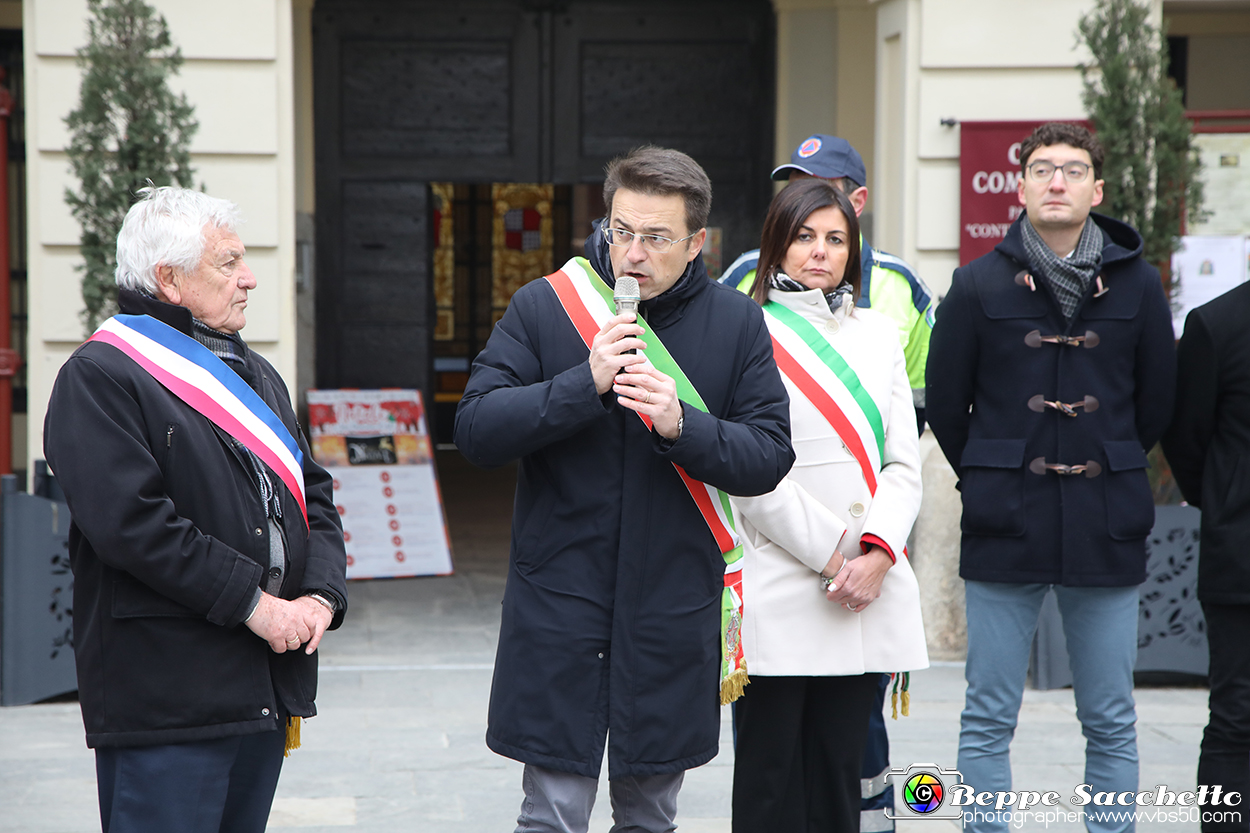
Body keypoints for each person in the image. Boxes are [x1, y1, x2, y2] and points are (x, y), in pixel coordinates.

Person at [455, 146, 794, 833]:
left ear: (698, 242)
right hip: (560, 605)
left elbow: (768, 455)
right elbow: (476, 429)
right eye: (622, 231)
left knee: (648, 816)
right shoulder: (548, 306)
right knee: (550, 814)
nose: (632, 254)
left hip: (669, 609)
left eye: (657, 238)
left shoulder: (735, 322)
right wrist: (582, 385)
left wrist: (681, 424)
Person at [44, 186, 349, 833]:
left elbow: (312, 494)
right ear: (169, 279)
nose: (250, 278)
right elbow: (136, 527)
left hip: (261, 690)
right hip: (167, 701)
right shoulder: (100, 377)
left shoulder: (256, 372)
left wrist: (320, 594)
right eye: (229, 262)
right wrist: (259, 606)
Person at [926, 122, 1176, 833]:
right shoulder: (976, 283)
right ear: (1021, 185)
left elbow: (1157, 399)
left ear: (1096, 189)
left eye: (1071, 170)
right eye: (1042, 169)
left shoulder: (1140, 283)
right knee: (987, 712)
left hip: (1106, 516)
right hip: (1006, 514)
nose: (1056, 181)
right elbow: (947, 401)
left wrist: (1111, 460)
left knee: (1110, 714)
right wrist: (989, 468)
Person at [722, 132, 929, 830]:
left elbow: (905, 460)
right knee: (769, 781)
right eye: (805, 236)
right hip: (786, 581)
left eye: (836, 239)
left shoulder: (877, 332)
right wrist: (837, 556)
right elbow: (746, 471)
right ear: (777, 242)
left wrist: (876, 554)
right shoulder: (744, 328)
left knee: (843, 777)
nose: (820, 252)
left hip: (864, 587)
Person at [721, 134, 933, 431]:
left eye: (821, 189)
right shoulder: (745, 275)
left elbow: (917, 403)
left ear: (857, 202)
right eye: (797, 190)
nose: (809, 202)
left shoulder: (902, 285)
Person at [1162, 285, 1250, 832]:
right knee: (1237, 719)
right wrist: (1223, 498)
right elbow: (1185, 436)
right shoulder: (1217, 324)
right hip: (1241, 562)